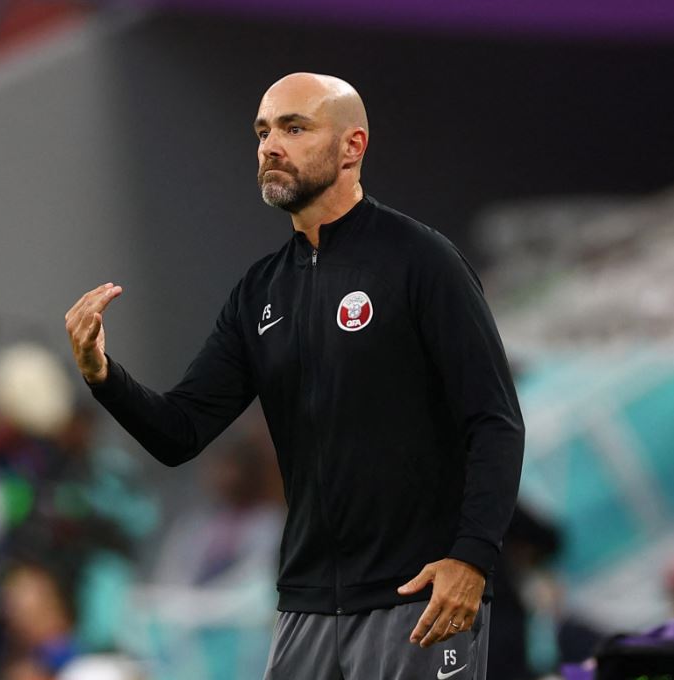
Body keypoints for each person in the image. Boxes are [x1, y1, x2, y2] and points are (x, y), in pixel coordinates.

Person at [64, 72, 525, 679]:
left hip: (418, 597)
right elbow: (180, 432)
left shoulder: (421, 261)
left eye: (294, 127)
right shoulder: (260, 289)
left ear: (352, 147)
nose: (270, 145)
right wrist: (103, 375)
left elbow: (495, 422)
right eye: (262, 131)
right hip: (307, 604)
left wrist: (471, 560)